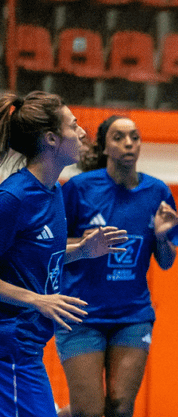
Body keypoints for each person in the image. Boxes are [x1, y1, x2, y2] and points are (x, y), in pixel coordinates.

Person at [0, 91, 126, 417]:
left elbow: (32, 256)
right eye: (74, 125)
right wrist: (36, 300)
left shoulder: (54, 191)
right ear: (51, 139)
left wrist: (81, 251)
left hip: (28, 348)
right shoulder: (14, 198)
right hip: (9, 349)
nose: (82, 132)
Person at [55, 115, 178, 417]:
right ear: (104, 147)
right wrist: (84, 243)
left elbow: (166, 262)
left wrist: (161, 236)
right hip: (81, 314)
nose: (129, 143)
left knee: (120, 407)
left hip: (132, 316)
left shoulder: (158, 192)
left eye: (134, 137)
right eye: (119, 137)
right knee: (89, 411)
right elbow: (51, 247)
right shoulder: (79, 188)